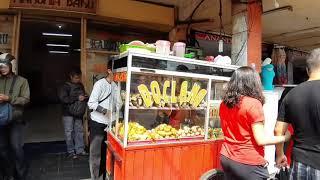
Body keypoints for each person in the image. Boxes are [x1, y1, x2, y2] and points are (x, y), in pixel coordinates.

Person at [219, 66, 290, 180]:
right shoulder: (253, 103)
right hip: (247, 161)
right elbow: (261, 140)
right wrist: (284, 137)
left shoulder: (224, 103)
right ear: (254, 83)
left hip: (227, 157)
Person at [275, 48, 320, 180]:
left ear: (307, 70)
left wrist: (280, 154)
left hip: (299, 163)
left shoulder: (291, 94)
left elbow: (278, 130)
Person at [88, 60, 122, 180]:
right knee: (96, 154)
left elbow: (119, 104)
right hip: (97, 123)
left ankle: (104, 176)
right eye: (116, 71)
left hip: (110, 125)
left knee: (106, 152)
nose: (118, 73)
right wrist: (105, 111)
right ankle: (95, 177)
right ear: (109, 71)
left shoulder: (116, 86)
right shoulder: (100, 84)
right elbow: (91, 103)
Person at [0, 53, 30, 180]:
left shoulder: (22, 81)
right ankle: (8, 174)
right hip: (1, 119)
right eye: (0, 66)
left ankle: (21, 175)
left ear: (12, 65)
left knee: (16, 148)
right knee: (2, 149)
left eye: (5, 66)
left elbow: (26, 99)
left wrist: (9, 98)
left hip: (15, 119)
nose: (2, 68)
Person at [58, 68, 88, 159]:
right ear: (71, 77)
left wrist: (85, 97)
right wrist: (77, 98)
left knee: (79, 132)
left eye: (79, 78)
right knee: (69, 132)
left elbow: (83, 95)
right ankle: (71, 151)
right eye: (76, 78)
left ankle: (79, 150)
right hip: (68, 113)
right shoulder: (65, 86)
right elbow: (63, 99)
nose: (78, 80)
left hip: (78, 113)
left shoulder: (80, 85)